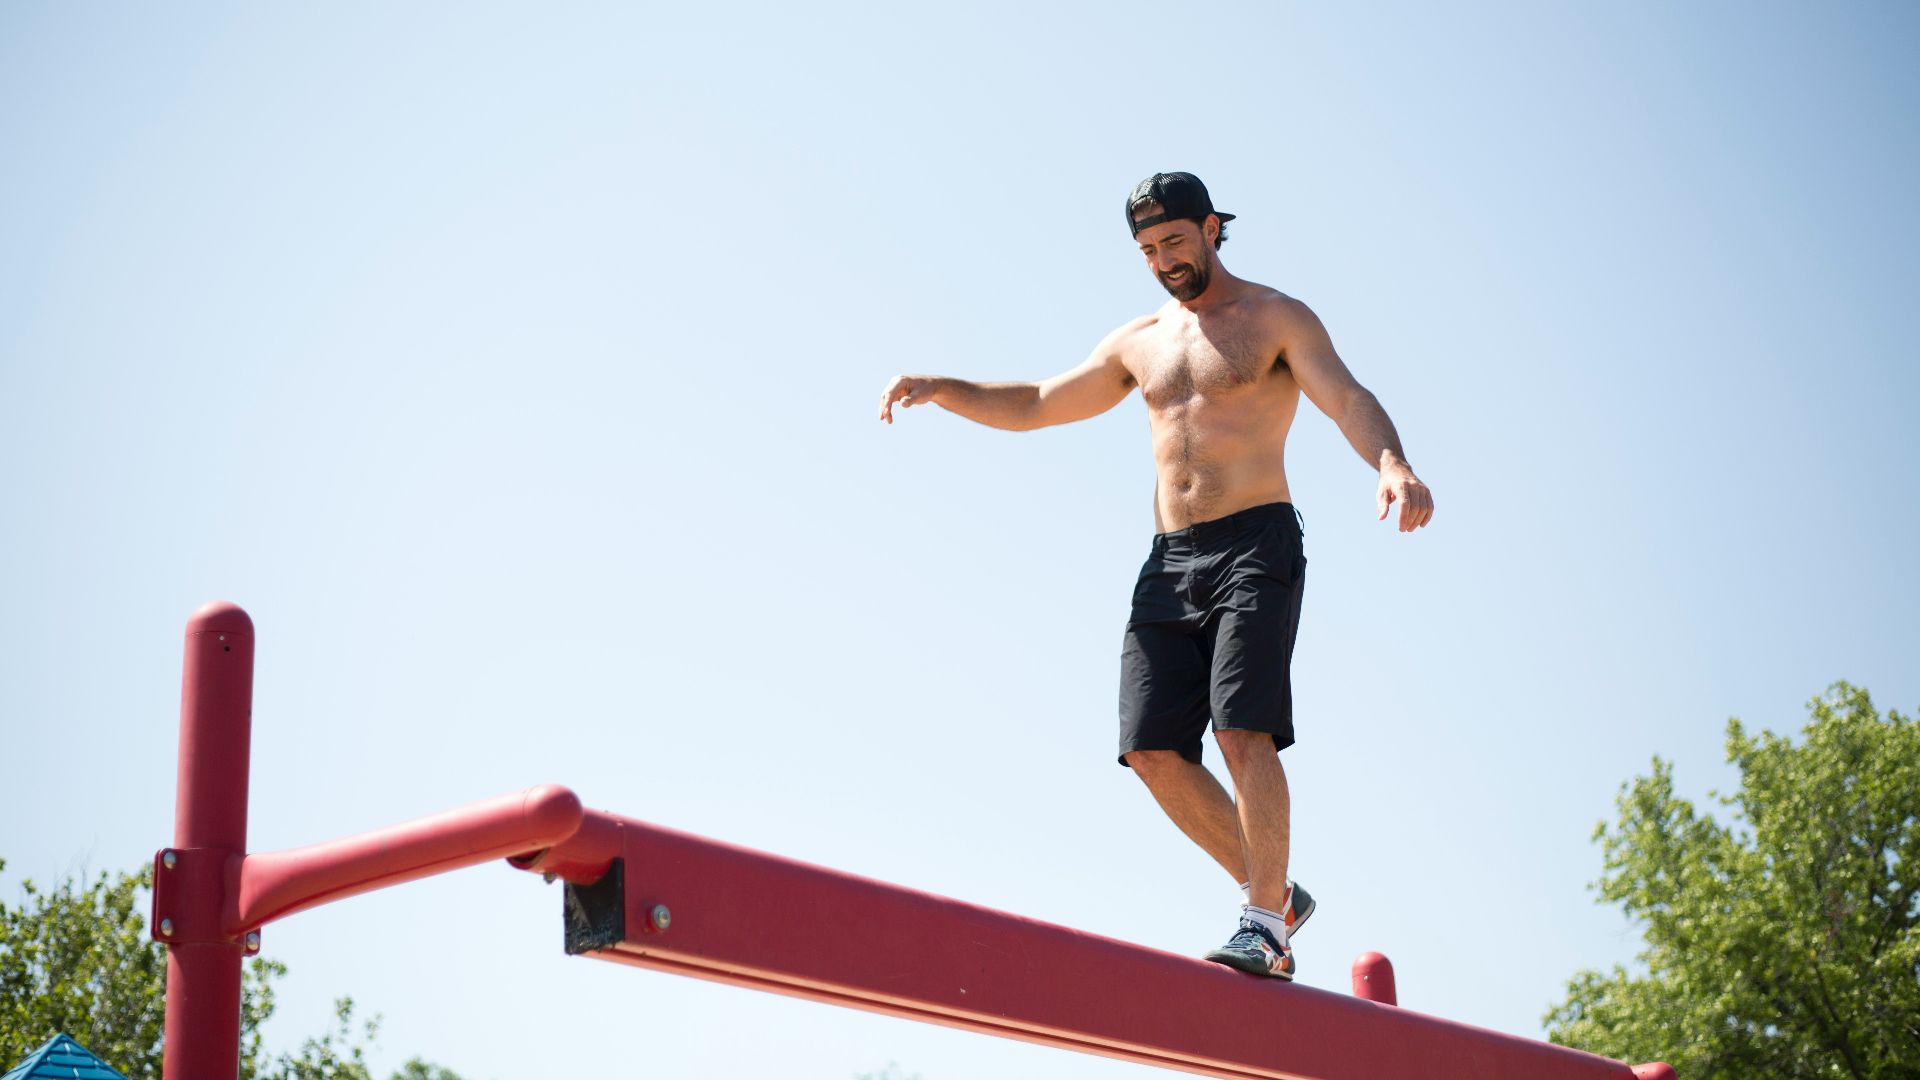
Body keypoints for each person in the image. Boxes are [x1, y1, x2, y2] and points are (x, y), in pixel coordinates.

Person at [877, 172, 1434, 980]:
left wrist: (1391, 463)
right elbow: (1037, 400)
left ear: (1212, 228)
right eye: (1147, 250)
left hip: (1256, 543)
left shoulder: (1275, 317)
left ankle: (1263, 925)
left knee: (1241, 727)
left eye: (1175, 241)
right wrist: (946, 388)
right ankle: (1276, 893)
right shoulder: (1139, 340)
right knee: (1150, 749)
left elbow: (1347, 397)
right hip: (1171, 559)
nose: (1163, 260)